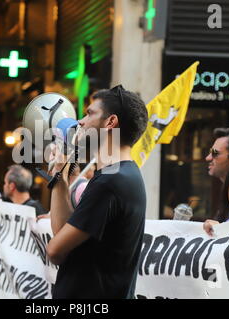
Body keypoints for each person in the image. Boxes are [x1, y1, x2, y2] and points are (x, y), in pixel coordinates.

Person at [46, 84, 148, 298]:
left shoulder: (109, 183)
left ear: (111, 122)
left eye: (90, 113)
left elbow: (54, 252)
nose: (81, 121)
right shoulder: (121, 174)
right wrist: (60, 175)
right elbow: (62, 233)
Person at [0, 165, 47, 296]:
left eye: (5, 183)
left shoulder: (35, 212)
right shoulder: (12, 211)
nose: (3, 186)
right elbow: (9, 249)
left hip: (27, 288)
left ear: (12, 186)